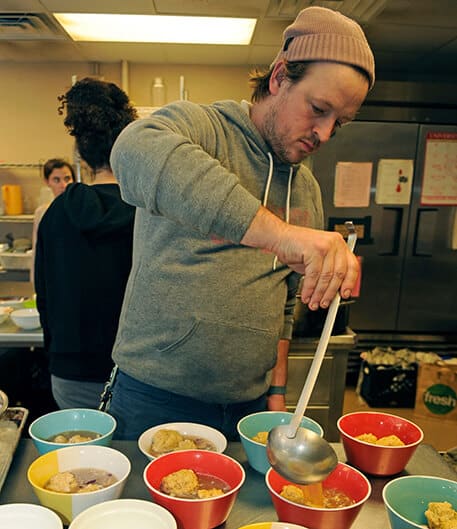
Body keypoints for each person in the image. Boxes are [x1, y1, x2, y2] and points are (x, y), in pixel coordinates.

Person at [108, 6, 375, 440]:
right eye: (318, 108)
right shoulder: (203, 129)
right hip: (153, 397)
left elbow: (287, 301)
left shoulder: (305, 189)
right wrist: (282, 236)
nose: (324, 134)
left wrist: (277, 389)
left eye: (338, 123)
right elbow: (134, 150)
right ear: (279, 78)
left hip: (249, 407)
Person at [34, 77, 137, 409]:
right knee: (131, 459)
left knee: (80, 458)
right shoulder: (149, 214)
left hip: (69, 371)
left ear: (79, 151)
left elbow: (43, 294)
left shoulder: (52, 214)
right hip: (133, 375)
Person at [30, 158, 76, 285]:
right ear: (47, 182)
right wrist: (35, 282)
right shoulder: (42, 212)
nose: (63, 185)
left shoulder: (79, 209)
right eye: (56, 180)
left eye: (67, 179)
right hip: (53, 272)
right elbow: (37, 249)